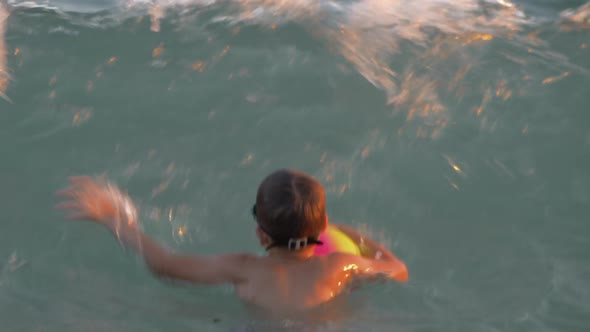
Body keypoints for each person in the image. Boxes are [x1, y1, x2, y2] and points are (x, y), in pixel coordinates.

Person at [56, 169, 408, 318]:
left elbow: (163, 265)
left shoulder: (243, 269)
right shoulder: (340, 266)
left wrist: (114, 218)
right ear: (326, 226)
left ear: (261, 234)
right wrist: (358, 239)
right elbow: (398, 271)